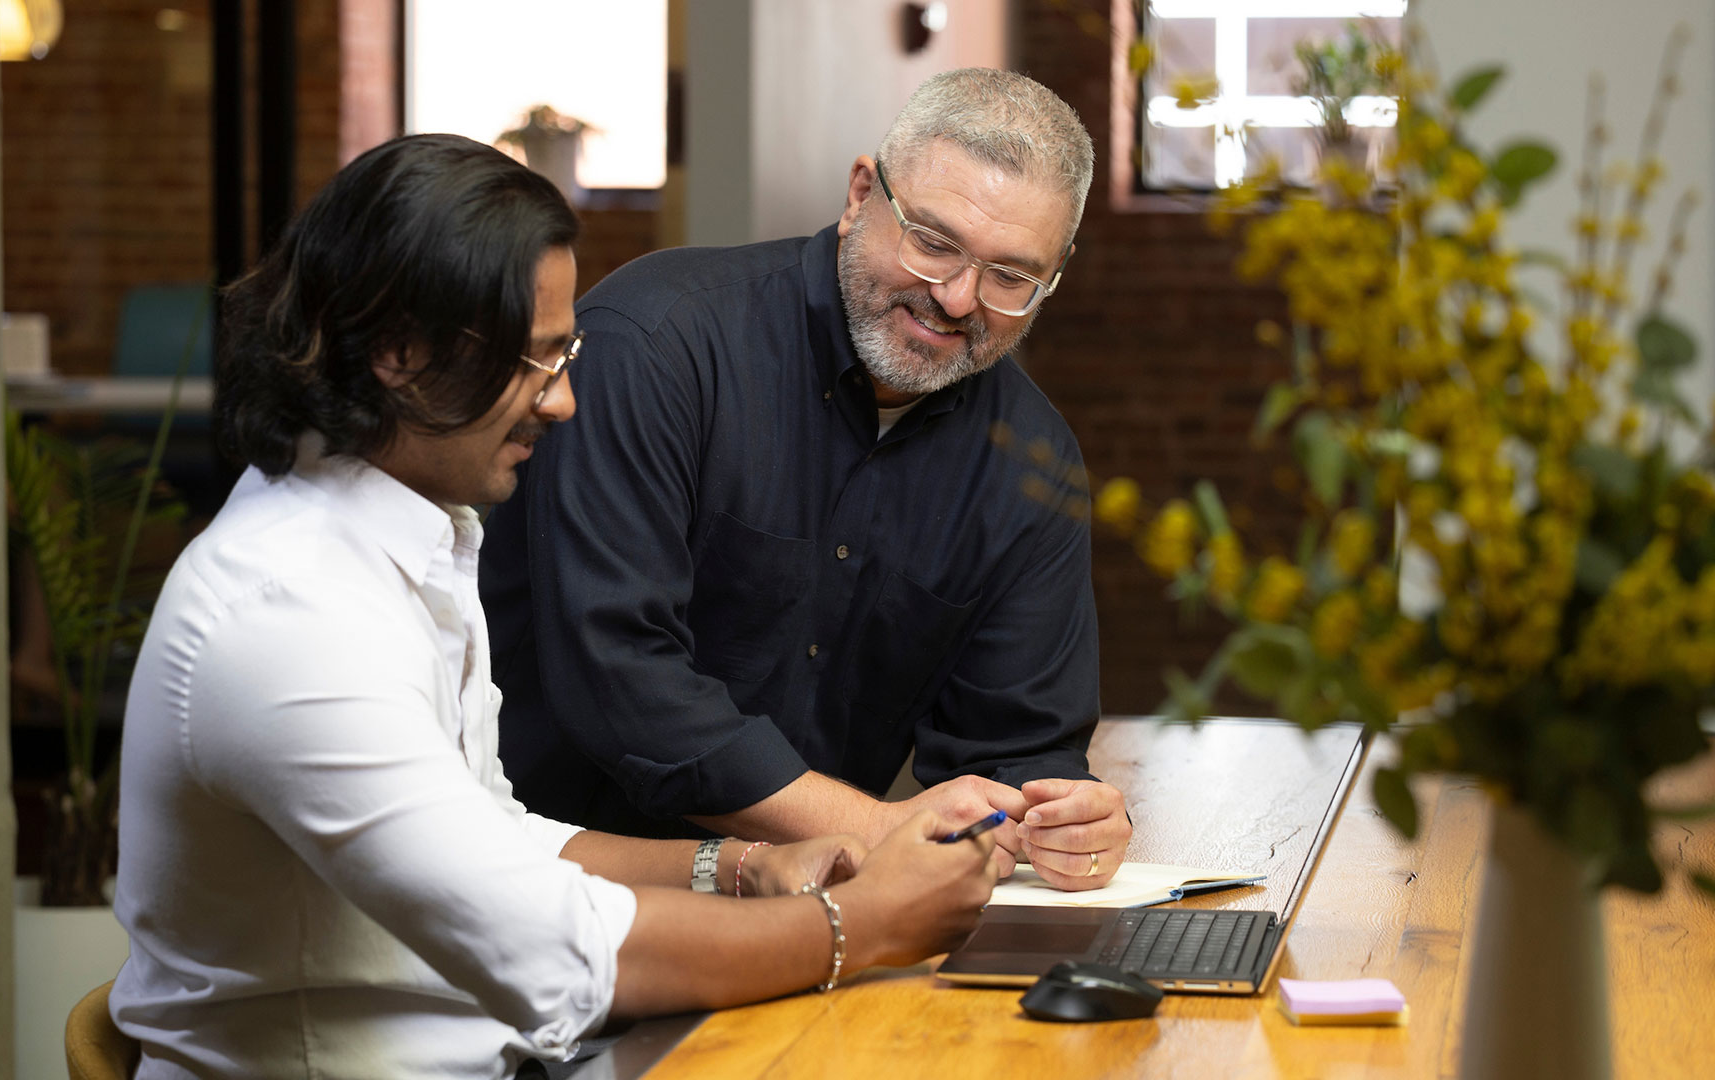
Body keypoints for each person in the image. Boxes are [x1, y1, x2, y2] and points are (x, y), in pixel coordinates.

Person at [109, 134, 998, 1080]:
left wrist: (737, 869)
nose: (565, 400)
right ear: (403, 356)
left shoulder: (415, 531)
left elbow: (493, 834)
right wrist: (861, 927)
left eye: (564, 353)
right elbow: (561, 955)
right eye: (537, 361)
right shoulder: (286, 616)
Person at [481, 68, 1132, 892]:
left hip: (807, 920)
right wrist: (877, 828)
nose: (958, 298)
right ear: (862, 195)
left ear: (1055, 276)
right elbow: (621, 680)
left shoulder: (1031, 463)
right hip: (543, 893)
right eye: (932, 243)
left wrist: (1063, 819)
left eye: (1010, 277)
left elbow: (1014, 748)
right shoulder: (654, 346)